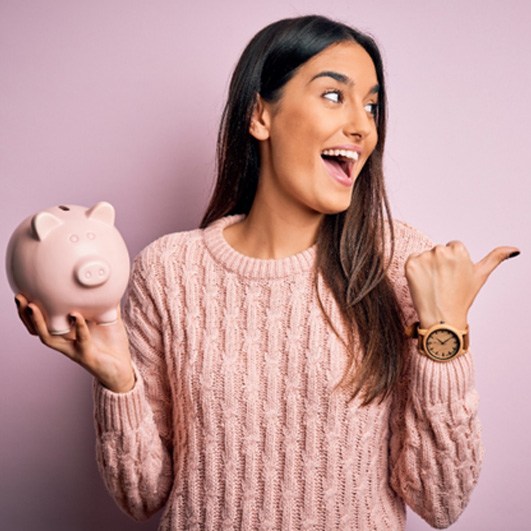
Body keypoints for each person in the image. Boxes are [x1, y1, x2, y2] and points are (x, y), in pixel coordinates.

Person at [15, 15, 519, 530]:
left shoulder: (400, 265)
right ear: (260, 115)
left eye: (371, 105)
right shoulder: (168, 272)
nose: (363, 125)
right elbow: (143, 497)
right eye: (333, 96)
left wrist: (444, 335)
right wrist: (118, 382)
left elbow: (443, 501)